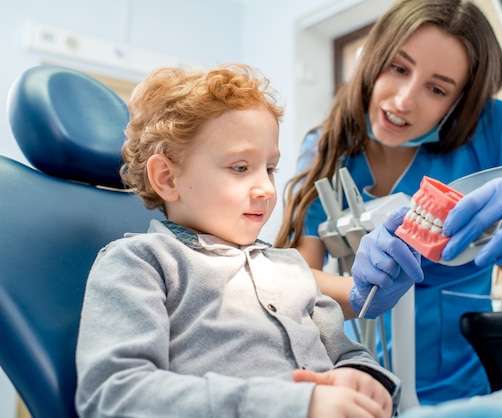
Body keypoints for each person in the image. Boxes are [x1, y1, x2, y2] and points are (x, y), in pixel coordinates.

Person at [275, 0, 502, 406]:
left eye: (437, 88)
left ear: (460, 102)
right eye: (398, 68)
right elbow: (295, 276)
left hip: (459, 395)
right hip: (360, 385)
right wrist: (357, 292)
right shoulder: (327, 148)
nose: (403, 100)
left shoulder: (489, 131)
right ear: (373, 59)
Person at [74, 63, 401, 418]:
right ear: (167, 178)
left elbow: (347, 354)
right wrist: (296, 405)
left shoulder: (289, 268)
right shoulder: (142, 263)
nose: (266, 188)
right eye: (240, 168)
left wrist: (364, 379)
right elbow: (113, 394)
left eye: (270, 168)